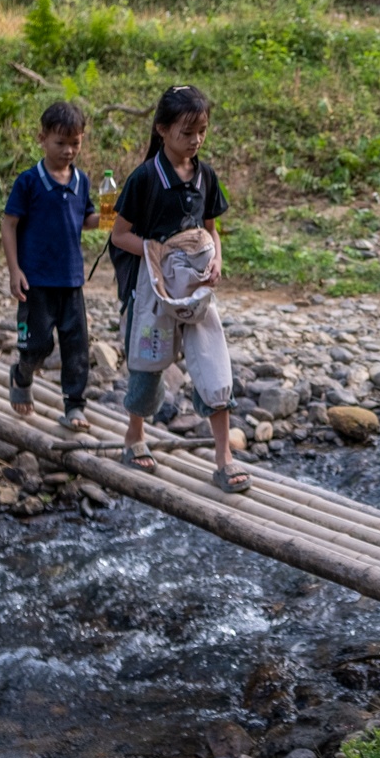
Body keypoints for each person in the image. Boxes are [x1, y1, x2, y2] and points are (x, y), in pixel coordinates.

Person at [107, 84, 245, 491]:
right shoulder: (145, 178)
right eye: (187, 132)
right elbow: (119, 235)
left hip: (198, 288)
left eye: (201, 130)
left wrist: (216, 259)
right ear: (162, 130)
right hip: (154, 289)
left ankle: (224, 457)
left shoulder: (205, 175)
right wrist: (160, 255)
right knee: (148, 364)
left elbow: (210, 230)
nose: (196, 140)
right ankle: (135, 436)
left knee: (212, 363)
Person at [0, 100, 98, 430]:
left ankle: (74, 405)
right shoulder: (30, 182)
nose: (68, 151)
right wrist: (15, 270)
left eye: (75, 143)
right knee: (37, 344)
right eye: (61, 143)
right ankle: (22, 375)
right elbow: (9, 224)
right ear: (41, 139)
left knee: (77, 346)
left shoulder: (81, 181)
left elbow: (88, 220)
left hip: (71, 280)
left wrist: (115, 216)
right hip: (36, 280)